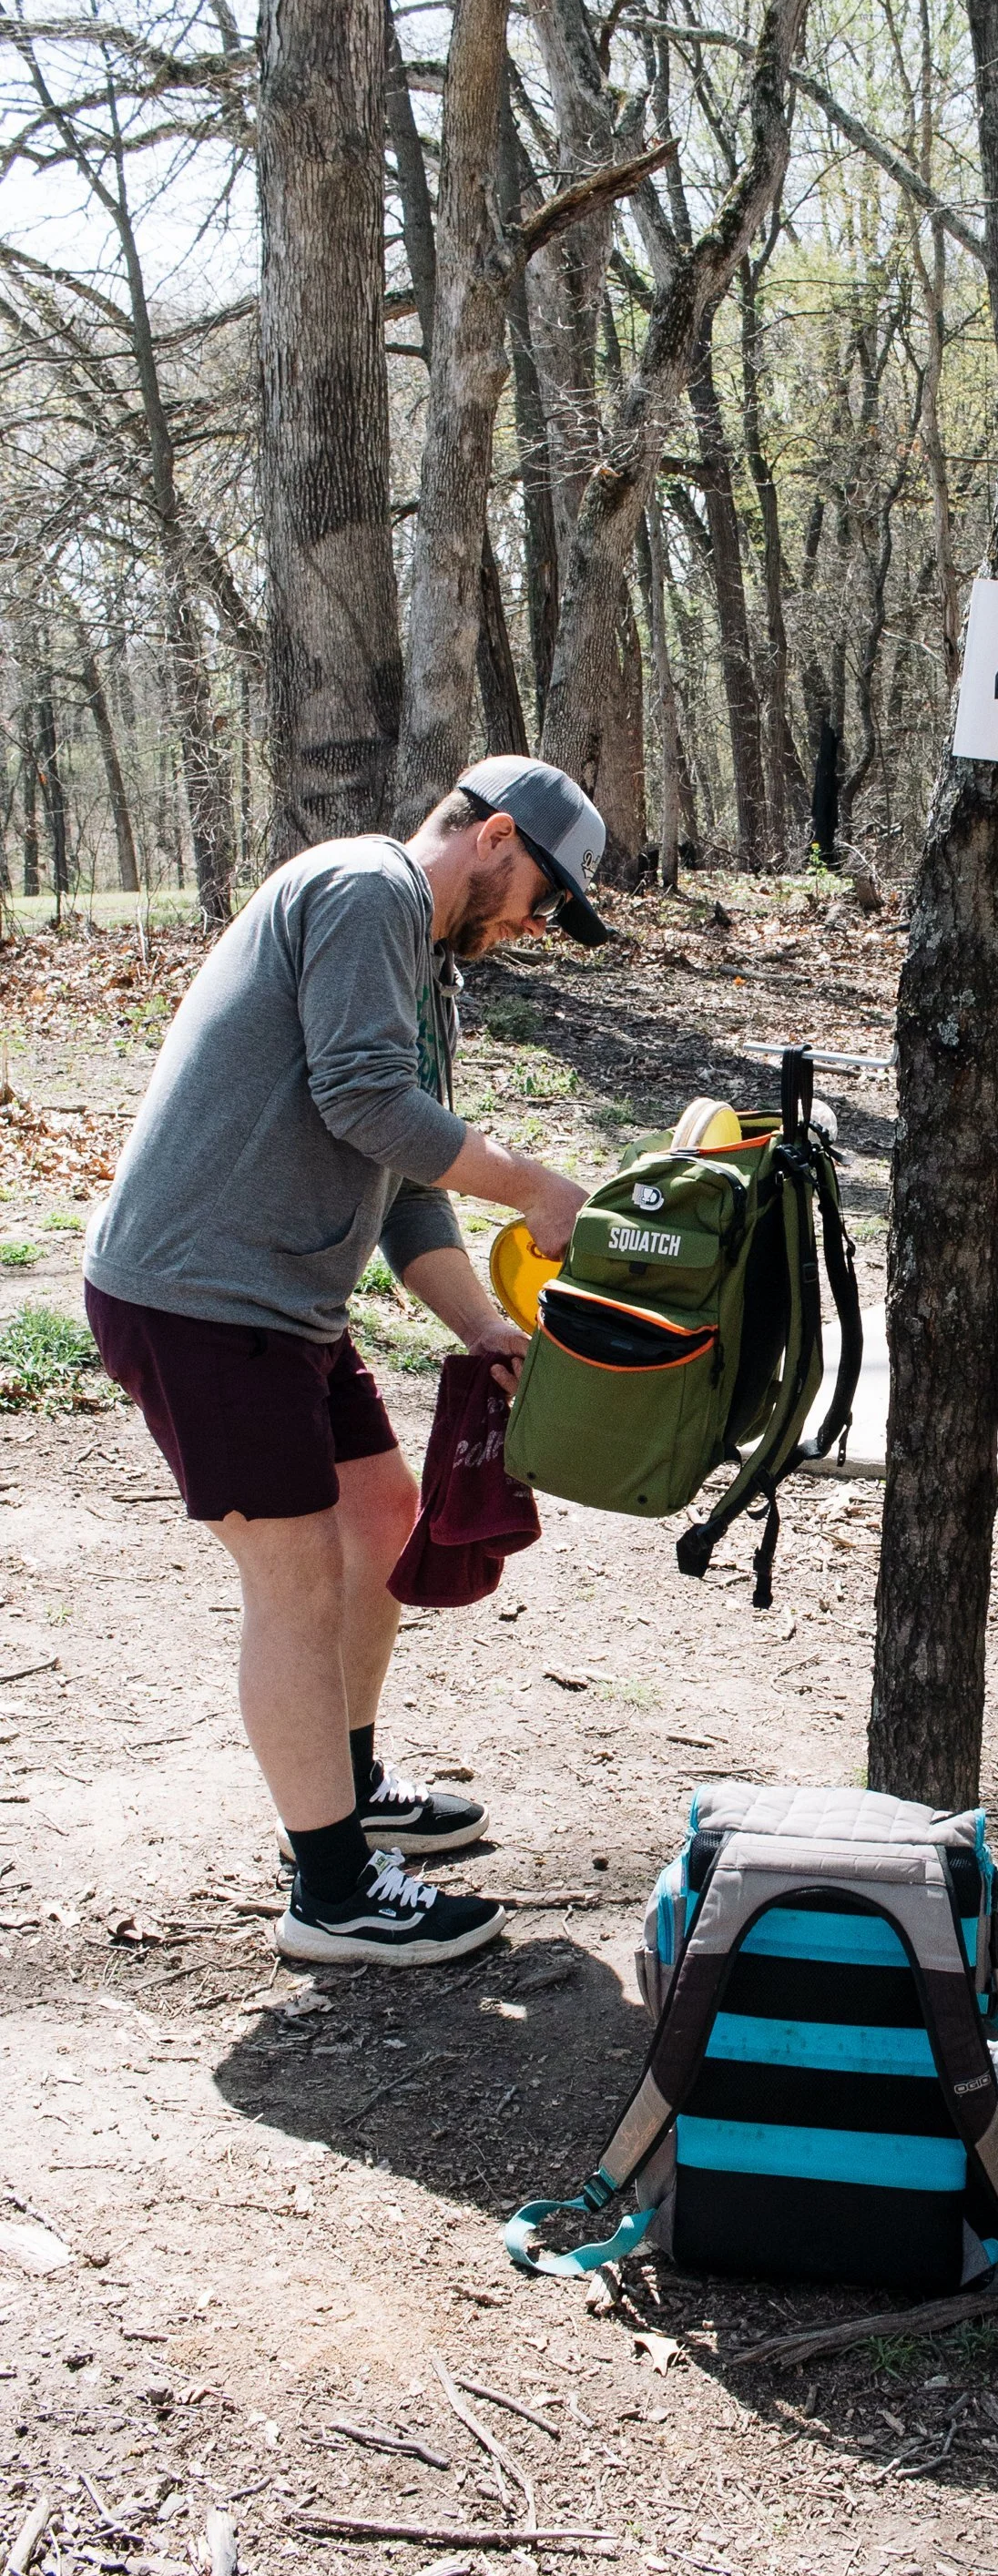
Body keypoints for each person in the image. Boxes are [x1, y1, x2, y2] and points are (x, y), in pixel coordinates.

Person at [84, 756, 604, 1968]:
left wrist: (481, 1326)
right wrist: (532, 1187)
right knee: (300, 1574)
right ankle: (330, 1893)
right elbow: (369, 1102)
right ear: (499, 837)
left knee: (383, 1520)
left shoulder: (430, 978)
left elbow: (408, 1181)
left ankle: (349, 1791)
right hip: (197, 1295)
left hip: (281, 1305)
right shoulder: (363, 890)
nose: (535, 925)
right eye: (543, 894)